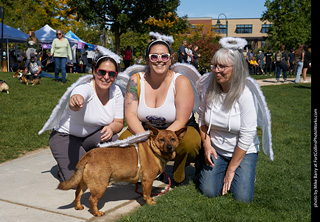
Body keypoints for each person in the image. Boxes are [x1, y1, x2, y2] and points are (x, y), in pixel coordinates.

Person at [120, 32, 201, 186]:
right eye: (154, 57)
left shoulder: (181, 81)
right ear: (147, 60)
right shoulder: (135, 80)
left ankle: (178, 172)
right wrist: (146, 138)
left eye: (164, 56)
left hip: (178, 128)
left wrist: (160, 141)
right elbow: (130, 115)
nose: (159, 61)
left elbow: (181, 120)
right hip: (147, 129)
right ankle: (147, 170)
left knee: (191, 143)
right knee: (124, 140)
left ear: (170, 59)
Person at [198, 40, 260, 202]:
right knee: (209, 191)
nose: (216, 71)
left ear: (236, 68)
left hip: (244, 151)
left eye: (222, 67)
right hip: (217, 149)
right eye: (214, 66)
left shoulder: (245, 94)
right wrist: (207, 146)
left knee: (242, 197)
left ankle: (243, 171)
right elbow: (202, 122)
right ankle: (226, 169)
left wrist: (231, 169)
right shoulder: (207, 88)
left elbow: (247, 135)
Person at [49, 52, 124, 181]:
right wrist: (76, 100)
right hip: (65, 136)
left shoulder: (116, 91)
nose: (106, 77)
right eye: (102, 72)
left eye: (111, 74)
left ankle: (86, 157)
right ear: (94, 71)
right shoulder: (85, 87)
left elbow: (119, 122)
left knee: (112, 139)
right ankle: (64, 168)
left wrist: (111, 128)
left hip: (89, 137)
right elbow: (79, 95)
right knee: (79, 180)